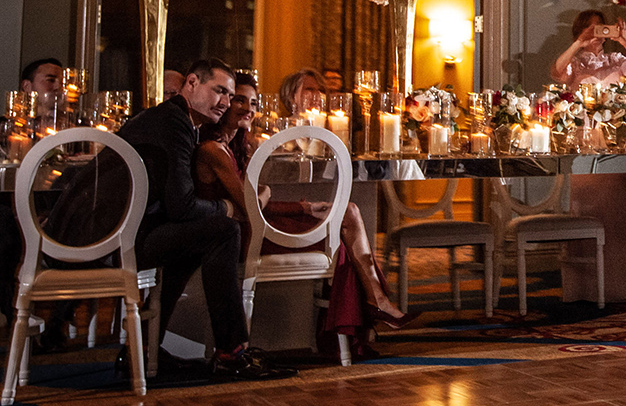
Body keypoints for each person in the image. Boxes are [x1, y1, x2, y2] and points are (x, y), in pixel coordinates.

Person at [194, 75, 411, 352]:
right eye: (239, 100)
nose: (248, 108)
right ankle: (374, 308)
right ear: (223, 103)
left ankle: (376, 304)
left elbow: (256, 203)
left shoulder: (234, 147)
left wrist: (303, 207)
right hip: (243, 238)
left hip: (256, 225)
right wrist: (266, 194)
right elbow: (252, 205)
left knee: (349, 210)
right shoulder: (213, 149)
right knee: (343, 236)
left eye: (253, 102)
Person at [123, 58, 294, 380]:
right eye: (219, 91)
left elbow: (177, 207)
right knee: (223, 230)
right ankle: (231, 353)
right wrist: (229, 209)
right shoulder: (174, 123)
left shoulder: (177, 120)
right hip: (115, 240)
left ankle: (142, 349)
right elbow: (182, 207)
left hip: (131, 231)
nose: (226, 103)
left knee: (194, 240)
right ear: (190, 83)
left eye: (230, 96)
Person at [0, 57, 67, 335]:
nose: (59, 87)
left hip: (52, 215)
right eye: (50, 79)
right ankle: (17, 322)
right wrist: (22, 213)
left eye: (62, 81)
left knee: (85, 238)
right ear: (27, 87)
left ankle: (56, 326)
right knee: (2, 237)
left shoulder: (71, 130)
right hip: (6, 213)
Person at [550, 9, 626, 87]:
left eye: (599, 27)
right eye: (589, 28)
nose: (595, 32)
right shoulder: (575, 62)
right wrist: (578, 43)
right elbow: (557, 72)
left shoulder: (615, 59)